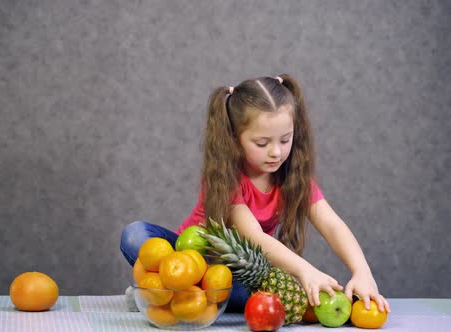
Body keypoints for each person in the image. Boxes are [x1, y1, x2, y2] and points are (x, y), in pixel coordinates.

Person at [120, 74, 390, 314]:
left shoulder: (293, 178)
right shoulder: (226, 178)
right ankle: (176, 289)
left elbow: (331, 224)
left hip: (236, 276)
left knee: (238, 291)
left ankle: (168, 296)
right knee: (135, 234)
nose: (276, 152)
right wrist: (306, 270)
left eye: (285, 139)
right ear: (234, 139)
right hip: (189, 260)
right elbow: (254, 236)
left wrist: (362, 271)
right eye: (262, 143)